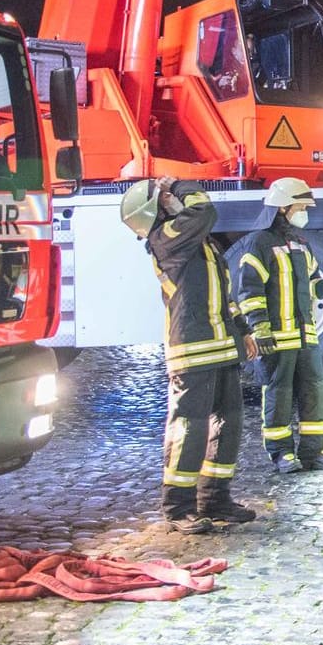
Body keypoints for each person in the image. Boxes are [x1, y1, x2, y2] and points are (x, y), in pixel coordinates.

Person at [120, 177, 258, 534]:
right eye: (165, 198)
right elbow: (204, 210)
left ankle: (215, 498)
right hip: (192, 349)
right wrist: (181, 185)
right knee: (189, 428)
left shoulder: (200, 244)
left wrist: (242, 330)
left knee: (228, 424)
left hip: (221, 344)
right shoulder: (166, 239)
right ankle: (178, 506)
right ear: (157, 208)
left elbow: (223, 291)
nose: (173, 200)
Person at [232, 177, 323, 474]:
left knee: (314, 391)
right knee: (278, 394)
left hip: (306, 336)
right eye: (301, 206)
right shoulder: (258, 243)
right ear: (282, 208)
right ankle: (281, 453)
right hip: (276, 338)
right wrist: (260, 329)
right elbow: (249, 291)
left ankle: (313, 451)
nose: (305, 211)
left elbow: (313, 281)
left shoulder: (300, 243)